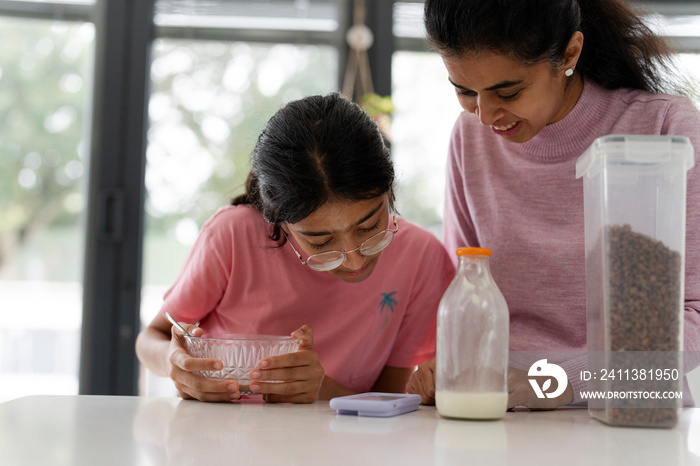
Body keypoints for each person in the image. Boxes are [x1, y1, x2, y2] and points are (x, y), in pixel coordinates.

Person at [407, 0, 700, 409]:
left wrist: (555, 382)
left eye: (507, 91)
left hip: (631, 414)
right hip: (504, 410)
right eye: (464, 91)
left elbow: (692, 319)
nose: (487, 115)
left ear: (569, 53)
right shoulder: (469, 138)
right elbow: (470, 293)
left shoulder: (663, 129)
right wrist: (453, 364)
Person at [136, 93, 455, 403]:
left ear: (390, 190)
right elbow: (151, 339)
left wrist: (321, 390)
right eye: (321, 242)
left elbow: (389, 402)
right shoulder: (233, 235)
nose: (355, 259)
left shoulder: (421, 257)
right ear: (279, 223)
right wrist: (174, 363)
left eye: (369, 227)